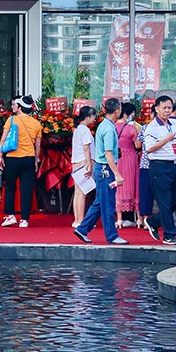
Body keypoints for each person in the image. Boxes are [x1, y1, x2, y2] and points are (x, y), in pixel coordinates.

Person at [74, 98, 128, 244]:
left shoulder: (103, 125)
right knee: (108, 204)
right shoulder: (109, 129)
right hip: (106, 169)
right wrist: (117, 174)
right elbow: (108, 154)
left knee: (100, 202)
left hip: (101, 167)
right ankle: (112, 235)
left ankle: (83, 228)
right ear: (117, 111)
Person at [140, 95, 176, 245]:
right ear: (157, 109)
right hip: (159, 166)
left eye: (169, 108)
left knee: (175, 201)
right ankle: (169, 234)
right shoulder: (151, 127)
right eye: (164, 108)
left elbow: (175, 145)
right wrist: (167, 139)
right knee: (165, 202)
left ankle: (154, 221)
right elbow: (149, 148)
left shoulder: (172, 125)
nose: (167, 111)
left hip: (174, 165)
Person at [0, 95, 43, 228]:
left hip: (12, 157)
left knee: (10, 187)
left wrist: (0, 156)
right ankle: (24, 219)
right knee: (26, 189)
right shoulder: (37, 124)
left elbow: (3, 139)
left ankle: (11, 215)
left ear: (20, 108)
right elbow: (38, 146)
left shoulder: (12, 120)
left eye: (15, 105)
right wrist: (35, 160)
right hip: (29, 158)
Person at [70, 106, 97, 229]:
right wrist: (89, 164)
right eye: (93, 116)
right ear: (87, 117)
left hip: (76, 162)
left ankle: (77, 219)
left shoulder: (78, 129)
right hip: (83, 162)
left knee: (78, 192)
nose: (94, 118)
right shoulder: (85, 130)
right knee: (82, 193)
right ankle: (80, 220)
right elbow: (86, 148)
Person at [114, 101, 140, 228]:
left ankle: (119, 219)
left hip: (117, 158)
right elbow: (138, 145)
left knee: (119, 187)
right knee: (133, 185)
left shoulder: (112, 127)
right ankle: (139, 218)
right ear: (126, 114)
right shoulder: (131, 128)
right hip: (130, 158)